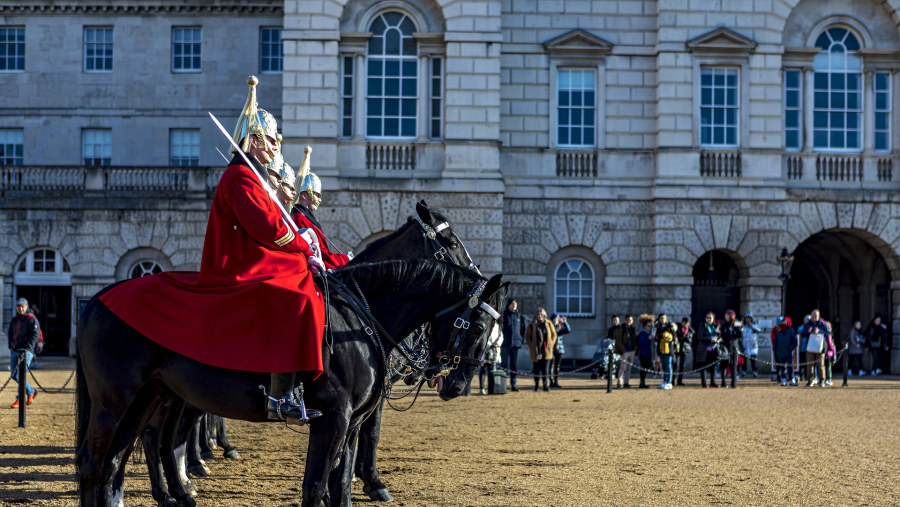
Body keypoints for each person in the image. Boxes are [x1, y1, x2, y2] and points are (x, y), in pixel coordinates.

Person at [99, 76, 326, 423]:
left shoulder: (252, 176)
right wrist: (301, 243)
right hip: (239, 265)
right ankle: (279, 396)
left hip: (255, 258)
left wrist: (303, 247)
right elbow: (267, 230)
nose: (275, 148)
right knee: (296, 297)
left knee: (305, 283)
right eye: (269, 142)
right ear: (252, 140)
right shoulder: (240, 177)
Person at [290, 149, 352, 270]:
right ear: (304, 195)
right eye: (316, 195)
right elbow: (319, 253)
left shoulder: (308, 218)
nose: (319, 199)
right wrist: (343, 259)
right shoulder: (300, 219)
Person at [7, 297, 40, 408]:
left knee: (19, 374)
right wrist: (10, 346)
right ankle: (31, 392)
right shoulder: (14, 319)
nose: (21, 309)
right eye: (18, 307)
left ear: (27, 307)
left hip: (26, 351)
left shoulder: (32, 319)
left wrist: (28, 348)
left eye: (23, 306)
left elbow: (35, 335)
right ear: (16, 308)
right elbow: (10, 333)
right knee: (14, 375)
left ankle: (20, 399)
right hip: (15, 350)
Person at [525, 308, 556, 392]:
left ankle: (545, 385)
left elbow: (554, 335)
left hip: (547, 350)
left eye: (541, 314)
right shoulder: (532, 324)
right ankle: (537, 385)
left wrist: (551, 343)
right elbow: (528, 337)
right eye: (538, 314)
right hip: (536, 350)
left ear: (544, 315)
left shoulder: (549, 323)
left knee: (546, 370)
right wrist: (531, 345)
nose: (540, 316)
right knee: (536, 369)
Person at [502, 299, 526, 391]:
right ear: (508, 305)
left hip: (515, 345)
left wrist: (520, 340)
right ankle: (502, 384)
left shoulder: (519, 316)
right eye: (512, 304)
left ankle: (513, 384)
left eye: (515, 304)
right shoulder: (503, 315)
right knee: (503, 365)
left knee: (514, 366)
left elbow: (523, 329)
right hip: (505, 344)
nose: (514, 306)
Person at [801, 309, 830, 387]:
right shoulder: (807, 324)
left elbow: (828, 333)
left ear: (818, 316)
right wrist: (808, 331)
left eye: (815, 316)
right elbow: (803, 334)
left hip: (820, 347)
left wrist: (819, 331)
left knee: (821, 364)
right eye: (812, 316)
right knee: (810, 364)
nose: (814, 318)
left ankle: (822, 380)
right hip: (810, 347)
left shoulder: (823, 324)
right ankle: (810, 380)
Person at [694, 312, 720, 388]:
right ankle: (704, 383)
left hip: (714, 348)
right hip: (704, 348)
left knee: (714, 366)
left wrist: (717, 339)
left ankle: (713, 382)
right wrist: (710, 339)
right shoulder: (702, 326)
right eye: (707, 318)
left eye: (710, 318)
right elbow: (699, 336)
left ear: (713, 319)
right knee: (704, 366)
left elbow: (719, 336)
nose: (708, 319)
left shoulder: (716, 326)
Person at [717, 310, 741, 388]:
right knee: (724, 365)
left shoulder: (736, 324)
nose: (726, 317)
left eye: (727, 316)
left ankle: (733, 383)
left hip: (734, 347)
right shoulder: (723, 324)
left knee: (734, 366)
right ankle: (723, 381)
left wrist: (738, 328)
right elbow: (722, 333)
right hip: (725, 347)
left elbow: (739, 335)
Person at [478, 321, 503, 394]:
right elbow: (482, 338)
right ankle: (482, 388)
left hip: (494, 352)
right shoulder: (485, 325)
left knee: (492, 371)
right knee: (483, 370)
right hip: (485, 351)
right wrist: (488, 346)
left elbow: (501, 337)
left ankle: (491, 388)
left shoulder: (498, 326)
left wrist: (497, 344)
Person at [772, 317, 798, 386]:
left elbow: (794, 341)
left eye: (785, 321)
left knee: (790, 366)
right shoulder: (780, 331)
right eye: (783, 322)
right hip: (781, 352)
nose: (783, 323)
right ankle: (784, 378)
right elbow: (776, 341)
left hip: (788, 352)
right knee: (782, 366)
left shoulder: (791, 331)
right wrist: (776, 350)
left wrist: (790, 348)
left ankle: (792, 378)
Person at [614, 314, 637, 388]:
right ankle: (619, 382)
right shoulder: (622, 328)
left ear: (632, 321)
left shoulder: (633, 329)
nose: (628, 321)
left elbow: (635, 340)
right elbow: (618, 341)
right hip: (625, 351)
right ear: (625, 320)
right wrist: (623, 350)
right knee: (623, 367)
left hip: (632, 351)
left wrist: (635, 349)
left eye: (630, 320)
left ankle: (626, 382)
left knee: (629, 368)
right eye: (627, 320)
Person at [654, 314, 675, 390]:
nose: (662, 319)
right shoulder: (658, 327)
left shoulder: (669, 327)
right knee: (663, 366)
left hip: (668, 349)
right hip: (661, 349)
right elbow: (656, 337)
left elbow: (673, 337)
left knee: (668, 365)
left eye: (664, 318)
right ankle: (665, 381)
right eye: (661, 318)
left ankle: (669, 382)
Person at [549, 314, 570, 388]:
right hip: (551, 348)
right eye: (554, 319)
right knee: (551, 365)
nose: (556, 320)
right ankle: (551, 382)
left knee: (557, 366)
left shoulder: (559, 327)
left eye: (557, 319)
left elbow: (568, 330)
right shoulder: (550, 327)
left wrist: (565, 322)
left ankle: (556, 381)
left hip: (559, 348)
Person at [740, 313, 761, 378]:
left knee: (753, 361)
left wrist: (752, 326)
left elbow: (759, 330)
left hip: (753, 346)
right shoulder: (743, 327)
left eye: (749, 319)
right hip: (745, 346)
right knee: (744, 361)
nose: (748, 320)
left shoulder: (754, 326)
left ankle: (755, 372)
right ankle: (744, 372)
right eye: (747, 318)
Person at [636, 315, 654, 389]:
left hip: (649, 353)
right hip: (643, 353)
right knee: (643, 368)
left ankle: (643, 382)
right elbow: (641, 343)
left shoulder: (650, 333)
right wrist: (648, 339)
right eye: (648, 326)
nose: (650, 328)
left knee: (647, 368)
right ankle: (641, 382)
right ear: (645, 326)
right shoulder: (642, 333)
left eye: (650, 326)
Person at [674, 317, 693, 386]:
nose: (684, 324)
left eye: (686, 323)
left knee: (682, 366)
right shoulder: (677, 329)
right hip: (677, 347)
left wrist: (687, 338)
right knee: (674, 364)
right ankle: (672, 380)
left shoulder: (690, 331)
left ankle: (680, 380)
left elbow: (691, 341)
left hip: (684, 348)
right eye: (683, 323)